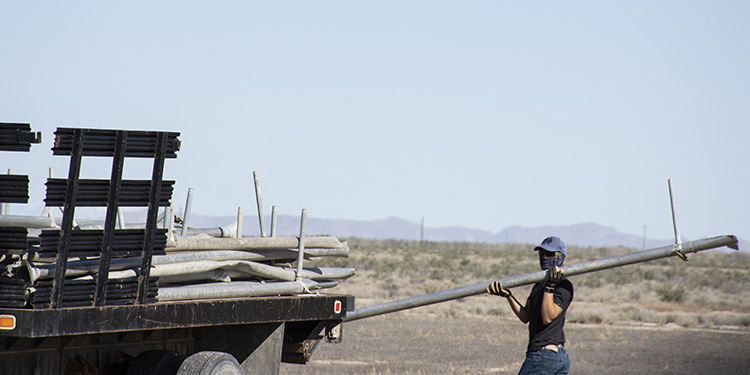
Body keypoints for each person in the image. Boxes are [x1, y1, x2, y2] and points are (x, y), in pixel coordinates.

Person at [486, 236, 574, 375]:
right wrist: (508, 296)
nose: (544, 257)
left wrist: (550, 287)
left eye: (549, 254)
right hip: (547, 357)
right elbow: (526, 316)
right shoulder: (539, 284)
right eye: (541, 254)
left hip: (545, 355)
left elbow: (548, 317)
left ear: (560, 257)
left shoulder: (563, 285)